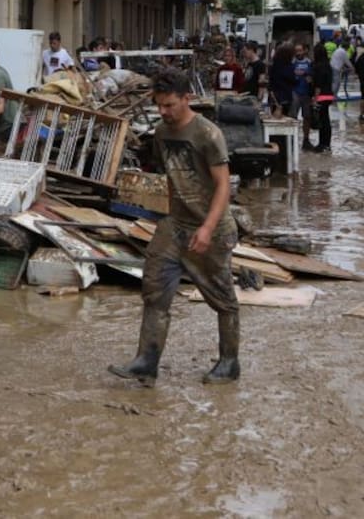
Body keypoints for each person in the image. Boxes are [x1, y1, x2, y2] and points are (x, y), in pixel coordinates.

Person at [109, 69, 239, 387]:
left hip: (211, 228)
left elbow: (223, 186)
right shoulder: (161, 133)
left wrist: (207, 228)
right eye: (159, 105)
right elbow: (169, 176)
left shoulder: (208, 134)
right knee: (154, 290)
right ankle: (146, 361)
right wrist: (166, 216)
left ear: (186, 98)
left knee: (222, 298)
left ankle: (229, 362)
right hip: (175, 225)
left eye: (169, 105)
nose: (164, 111)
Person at [311, 44, 334, 154]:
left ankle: (322, 144)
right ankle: (326, 144)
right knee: (326, 120)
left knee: (322, 121)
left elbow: (318, 85)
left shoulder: (318, 66)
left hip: (321, 96)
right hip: (329, 95)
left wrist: (315, 99)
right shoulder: (328, 65)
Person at [291, 42, 314, 150]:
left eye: (300, 50)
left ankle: (306, 140)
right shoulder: (292, 62)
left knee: (307, 117)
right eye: (296, 51)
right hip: (295, 92)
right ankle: (292, 139)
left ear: (305, 51)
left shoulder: (310, 63)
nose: (298, 53)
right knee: (293, 117)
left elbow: (312, 77)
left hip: (306, 93)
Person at [269, 43, 295, 119]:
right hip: (285, 95)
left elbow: (271, 79)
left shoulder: (275, 65)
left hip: (274, 94)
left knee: (274, 116)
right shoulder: (289, 66)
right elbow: (292, 79)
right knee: (284, 116)